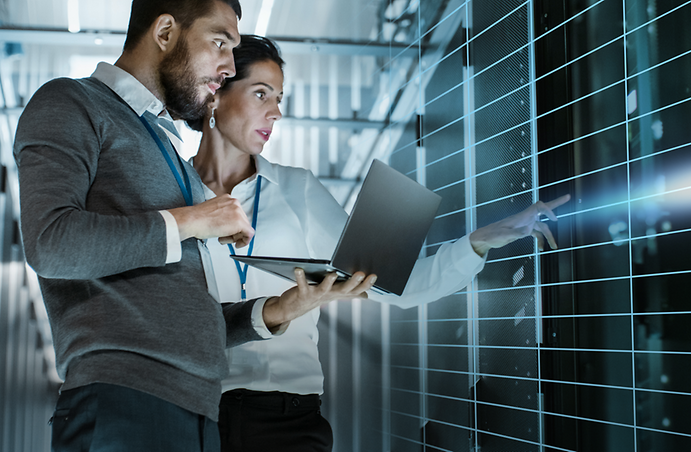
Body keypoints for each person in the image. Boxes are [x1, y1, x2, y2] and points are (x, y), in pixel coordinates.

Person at [12, 2, 374, 451]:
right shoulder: (72, 102)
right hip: (123, 402)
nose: (227, 66)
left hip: (198, 413)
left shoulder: (168, 153)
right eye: (220, 42)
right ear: (165, 32)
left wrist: (279, 309)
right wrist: (193, 219)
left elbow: (187, 319)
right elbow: (52, 244)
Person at [186, 35, 571, 452]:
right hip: (191, 414)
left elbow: (398, 287)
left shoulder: (297, 189)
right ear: (215, 93)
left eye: (279, 98)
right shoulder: (172, 197)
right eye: (261, 93)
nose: (276, 112)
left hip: (287, 419)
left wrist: (479, 242)